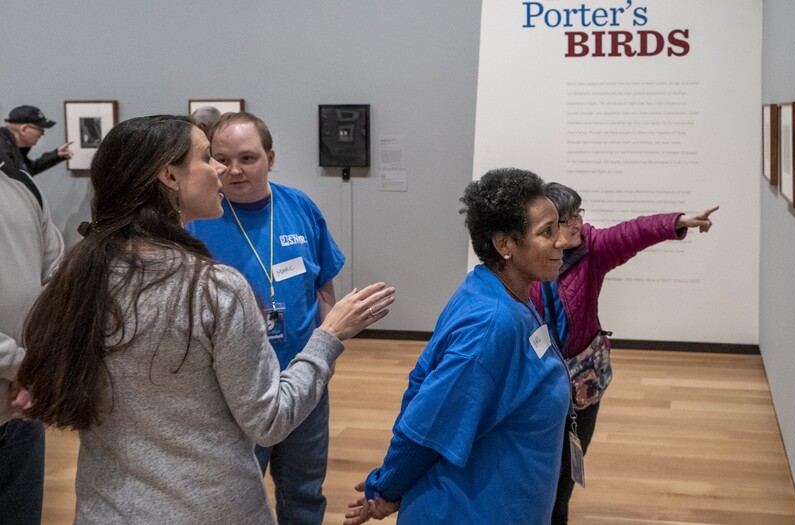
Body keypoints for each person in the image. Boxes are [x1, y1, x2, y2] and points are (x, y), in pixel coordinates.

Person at [14, 115, 395, 524]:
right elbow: (268, 420)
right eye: (207, 157)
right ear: (170, 177)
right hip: (209, 509)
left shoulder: (76, 273)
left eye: (242, 158)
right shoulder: (214, 288)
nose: (222, 170)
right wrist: (330, 335)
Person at [344, 168, 572, 525]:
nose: (562, 240)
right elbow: (429, 424)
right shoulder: (491, 326)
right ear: (504, 244)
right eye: (547, 231)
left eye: (558, 227)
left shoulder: (501, 291)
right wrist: (386, 489)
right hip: (468, 510)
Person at [186, 111, 345, 524]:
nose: (233, 171)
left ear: (270, 158)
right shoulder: (196, 219)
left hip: (304, 380)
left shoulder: (300, 207)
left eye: (247, 158)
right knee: (238, 497)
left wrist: (325, 359)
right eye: (221, 159)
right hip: (234, 392)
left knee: (305, 492)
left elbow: (324, 285)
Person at [529, 182, 717, 524]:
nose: (577, 224)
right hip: (538, 381)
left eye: (578, 215)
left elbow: (633, 233)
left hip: (583, 379)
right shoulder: (529, 260)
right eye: (567, 218)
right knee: (536, 462)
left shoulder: (592, 248)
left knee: (570, 460)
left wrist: (679, 221)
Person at [0, 134, 65, 525]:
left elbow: (57, 282)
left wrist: (39, 365)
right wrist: (26, 368)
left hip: (23, 410)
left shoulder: (21, 183)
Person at [1, 105, 73, 177]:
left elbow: (25, 171)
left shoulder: (11, 148)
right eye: (40, 129)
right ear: (24, 129)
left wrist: (56, 155)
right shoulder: (3, 152)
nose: (42, 134)